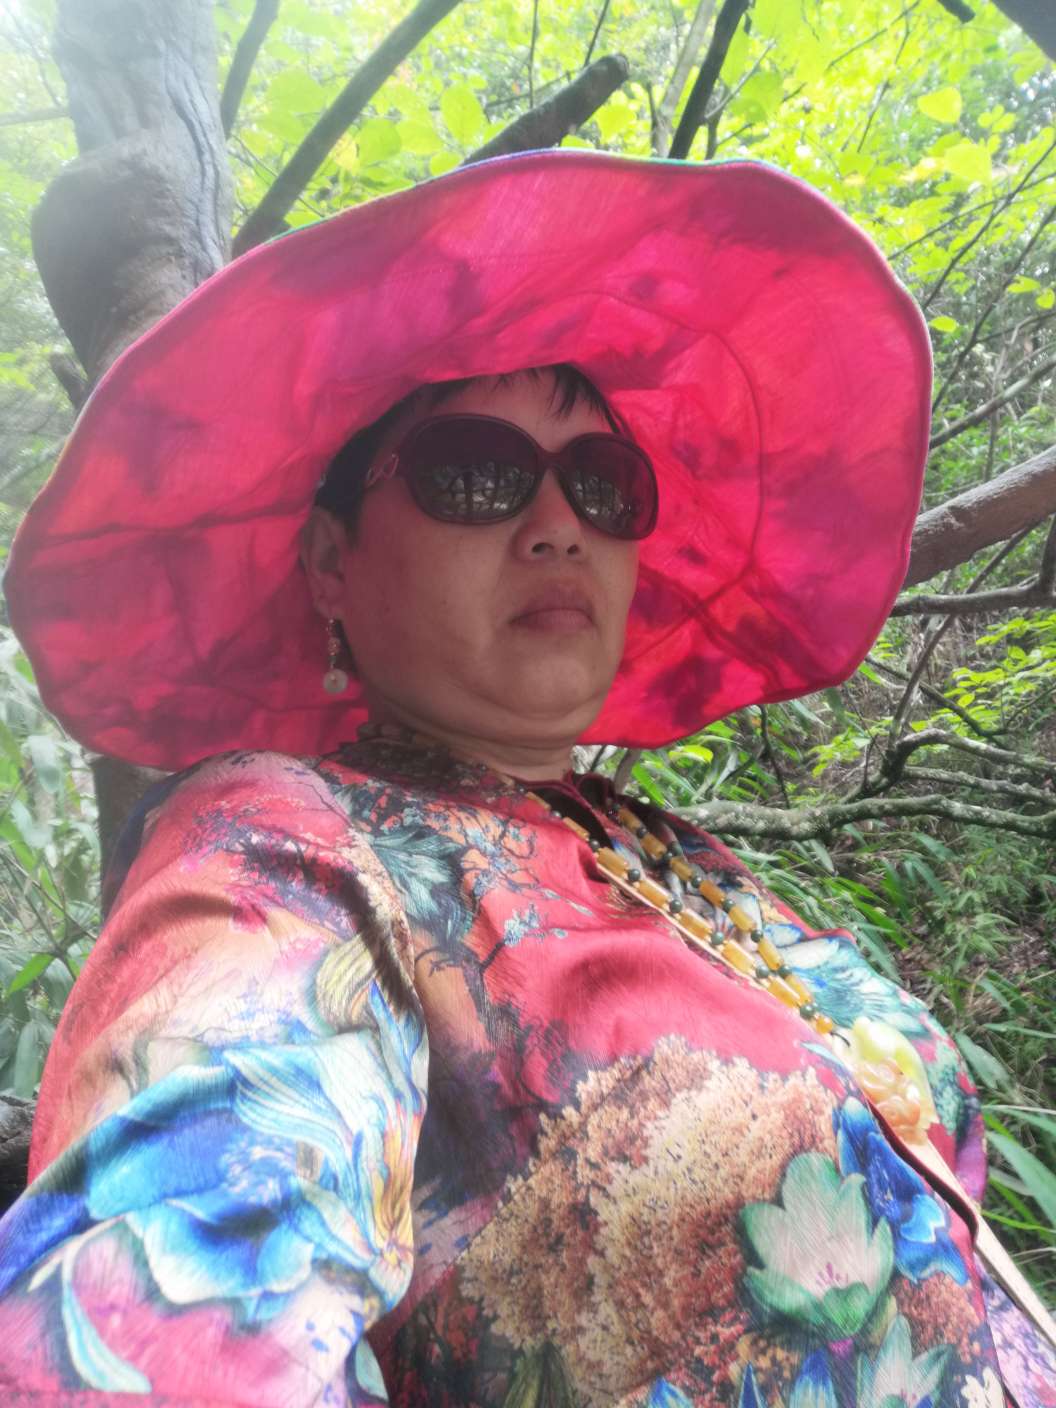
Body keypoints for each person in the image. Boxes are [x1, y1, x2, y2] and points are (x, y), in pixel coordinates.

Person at [0, 151, 1051, 1408]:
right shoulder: (284, 840)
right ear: (331, 561)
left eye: (603, 485)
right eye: (475, 471)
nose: (559, 524)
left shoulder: (678, 858)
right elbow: (166, 1316)